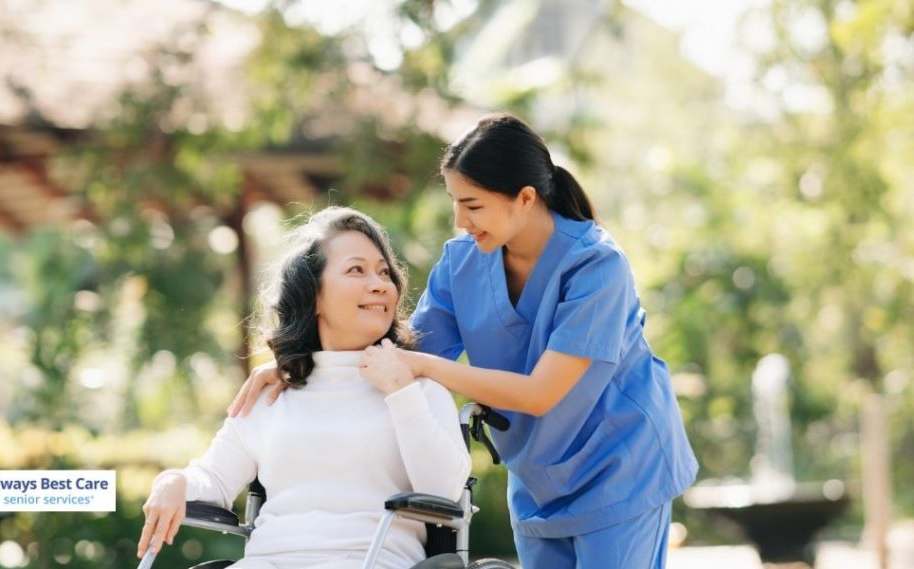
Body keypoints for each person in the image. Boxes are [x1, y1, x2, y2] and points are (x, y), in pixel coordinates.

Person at [230, 113, 698, 568]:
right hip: (538, 475)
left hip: (621, 467)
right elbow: (402, 356)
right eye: (454, 202)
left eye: (472, 205)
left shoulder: (597, 267)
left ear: (526, 198)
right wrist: (301, 367)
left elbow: (539, 393)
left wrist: (426, 369)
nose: (459, 220)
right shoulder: (462, 264)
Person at [139, 207, 471, 569]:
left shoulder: (419, 390)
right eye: (356, 270)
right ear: (312, 295)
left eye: (384, 272)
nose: (379, 284)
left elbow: (444, 494)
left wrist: (400, 391)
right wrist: (172, 481)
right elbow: (215, 478)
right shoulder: (271, 392)